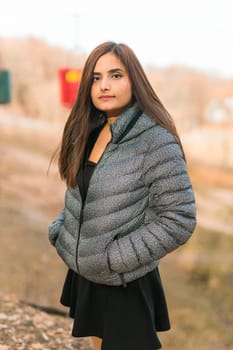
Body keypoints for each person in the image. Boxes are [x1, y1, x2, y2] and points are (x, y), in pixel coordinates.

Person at [48, 41, 196, 350]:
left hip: (124, 280)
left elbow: (178, 219)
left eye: (116, 75)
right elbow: (82, 192)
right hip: (86, 273)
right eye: (96, 77)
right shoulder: (87, 131)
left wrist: (114, 258)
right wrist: (62, 230)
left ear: (135, 81)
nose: (104, 85)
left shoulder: (155, 140)